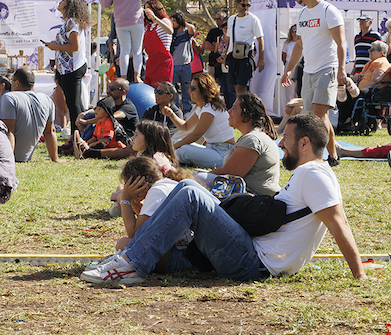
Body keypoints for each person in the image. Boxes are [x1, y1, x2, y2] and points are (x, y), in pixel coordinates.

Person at [81, 114, 375, 284]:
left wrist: (358, 273)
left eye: (286, 138)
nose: (281, 143)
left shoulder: (314, 174)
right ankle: (133, 257)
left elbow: (339, 222)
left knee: (190, 193)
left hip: (252, 261)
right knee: (190, 192)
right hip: (251, 252)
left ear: (305, 143)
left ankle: (132, 263)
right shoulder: (311, 173)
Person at [280, 0, 347, 165]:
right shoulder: (301, 15)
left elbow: (341, 42)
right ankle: (332, 155)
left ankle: (326, 158)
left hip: (327, 67)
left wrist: (342, 69)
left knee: (320, 113)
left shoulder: (329, 11)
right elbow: (299, 46)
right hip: (308, 71)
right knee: (313, 116)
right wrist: (288, 69)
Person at [192, 92, 281, 196]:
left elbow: (230, 173)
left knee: (194, 179)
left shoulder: (253, 139)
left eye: (234, 108)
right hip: (247, 195)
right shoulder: (251, 136)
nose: (229, 111)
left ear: (247, 116)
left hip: (253, 198)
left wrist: (203, 175)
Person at [113, 156, 190, 253]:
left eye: (127, 185)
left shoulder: (156, 192)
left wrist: (125, 198)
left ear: (138, 183)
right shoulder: (166, 184)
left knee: (122, 243)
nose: (126, 189)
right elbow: (146, 221)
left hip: (181, 254)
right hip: (187, 248)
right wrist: (133, 200)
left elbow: (134, 234)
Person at [162, 72, 235, 169]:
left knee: (183, 149)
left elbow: (196, 135)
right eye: (189, 87)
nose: (189, 91)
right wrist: (171, 115)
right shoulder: (202, 108)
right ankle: (167, 159)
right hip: (213, 149)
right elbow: (186, 127)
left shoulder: (209, 109)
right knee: (179, 143)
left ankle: (165, 160)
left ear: (203, 90)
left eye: (193, 88)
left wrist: (171, 148)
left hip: (223, 154)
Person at [43, 0, 91, 137]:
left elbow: (74, 46)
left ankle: (77, 136)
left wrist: (55, 46)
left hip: (73, 67)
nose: (60, 1)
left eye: (63, 0)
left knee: (74, 104)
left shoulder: (72, 22)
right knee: (74, 104)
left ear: (69, 4)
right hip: (67, 68)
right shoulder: (70, 22)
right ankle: (81, 134)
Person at [99, 0, 154, 83]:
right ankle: (137, 76)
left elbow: (106, 3)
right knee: (137, 50)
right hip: (136, 21)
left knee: (124, 50)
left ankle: (123, 77)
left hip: (121, 23)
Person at [0, 67, 56, 163]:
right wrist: (55, 158)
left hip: (8, 156)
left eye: (12, 81)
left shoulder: (9, 98)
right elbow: (50, 132)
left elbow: (8, 131)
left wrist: (7, 162)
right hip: (25, 157)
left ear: (17, 83)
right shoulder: (47, 100)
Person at [71, 78, 139, 158]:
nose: (108, 91)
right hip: (106, 135)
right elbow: (95, 110)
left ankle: (83, 147)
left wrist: (86, 122)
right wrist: (82, 114)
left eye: (112, 89)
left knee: (93, 122)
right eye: (108, 87)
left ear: (123, 92)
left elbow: (110, 117)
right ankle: (76, 145)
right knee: (89, 116)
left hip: (121, 139)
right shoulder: (110, 103)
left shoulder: (128, 107)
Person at [336, 40, 390, 130]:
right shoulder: (370, 63)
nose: (369, 51)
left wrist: (358, 89)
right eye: (369, 49)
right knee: (344, 95)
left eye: (372, 49)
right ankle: (341, 120)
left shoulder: (382, 62)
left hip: (375, 90)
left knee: (355, 95)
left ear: (381, 53)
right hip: (366, 88)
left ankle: (348, 121)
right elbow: (363, 76)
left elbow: (375, 80)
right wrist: (357, 76)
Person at [220, 0, 265, 97]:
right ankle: (240, 109)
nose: (246, 8)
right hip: (233, 56)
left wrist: (261, 59)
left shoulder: (253, 20)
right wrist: (225, 55)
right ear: (236, 4)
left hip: (245, 57)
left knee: (242, 88)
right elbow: (228, 38)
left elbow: (260, 39)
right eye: (243, 5)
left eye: (248, 5)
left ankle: (244, 110)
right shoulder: (232, 19)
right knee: (235, 88)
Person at [142, 0, 174, 89]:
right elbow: (141, 47)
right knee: (148, 90)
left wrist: (155, 19)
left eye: (149, 9)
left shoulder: (165, 21)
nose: (146, 11)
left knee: (162, 90)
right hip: (151, 63)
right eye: (145, 9)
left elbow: (170, 31)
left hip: (163, 63)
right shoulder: (148, 27)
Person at [169, 11, 196, 112]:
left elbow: (192, 29)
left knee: (187, 90)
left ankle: (187, 110)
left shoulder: (186, 32)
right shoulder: (172, 33)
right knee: (174, 91)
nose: (173, 23)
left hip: (186, 66)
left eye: (174, 21)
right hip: (174, 65)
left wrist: (183, 22)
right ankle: (176, 110)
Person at [280, 23, 299, 107]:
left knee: (298, 90)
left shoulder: (303, 43)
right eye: (293, 31)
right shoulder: (287, 44)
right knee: (289, 90)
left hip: (300, 67)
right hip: (289, 67)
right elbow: (283, 57)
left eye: (296, 31)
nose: (294, 33)